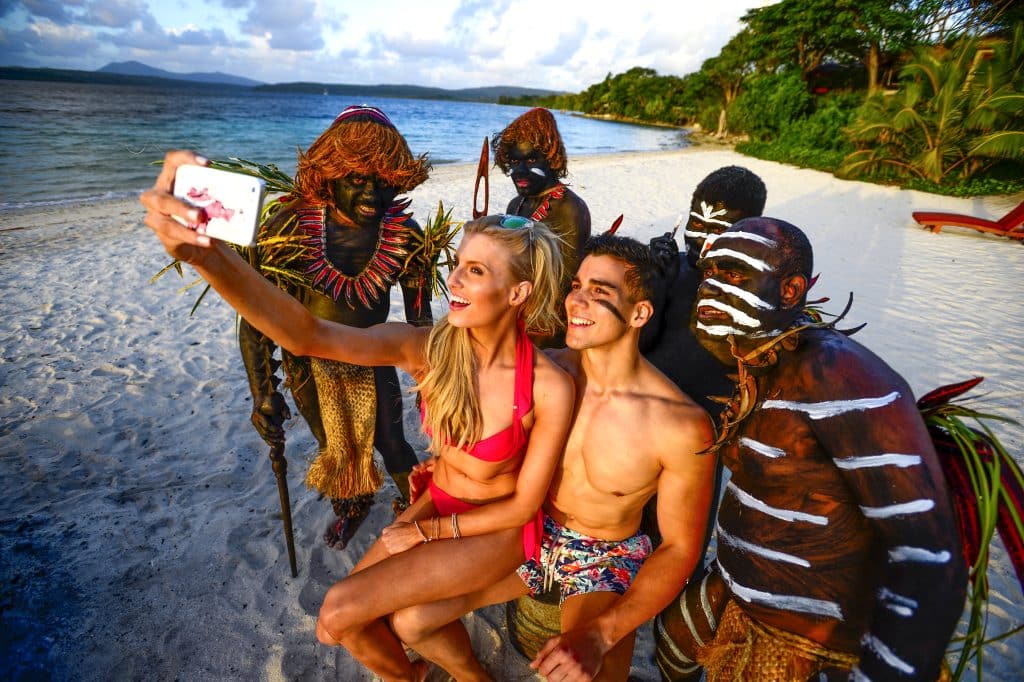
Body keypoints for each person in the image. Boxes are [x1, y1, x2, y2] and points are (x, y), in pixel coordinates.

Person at [142, 162, 575, 682]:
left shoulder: (547, 387)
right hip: (436, 503)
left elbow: (524, 506)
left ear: (518, 293)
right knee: (344, 627)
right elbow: (309, 335)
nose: (455, 280)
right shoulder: (429, 349)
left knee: (339, 613)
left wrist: (427, 531)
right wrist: (207, 255)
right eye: (459, 263)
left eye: (477, 271)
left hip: (497, 530)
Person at [386, 234, 717, 682]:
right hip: (527, 530)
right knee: (411, 620)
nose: (576, 301)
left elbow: (680, 549)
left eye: (599, 292)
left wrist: (601, 635)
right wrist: (447, 464)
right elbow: (493, 435)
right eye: (576, 286)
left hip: (603, 556)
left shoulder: (679, 424)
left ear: (639, 314)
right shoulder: (545, 374)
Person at [655, 217, 967, 681]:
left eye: (733, 274)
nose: (710, 287)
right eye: (709, 273)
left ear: (790, 290)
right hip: (734, 588)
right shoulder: (757, 356)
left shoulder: (840, 378)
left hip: (808, 631)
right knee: (672, 642)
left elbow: (929, 559)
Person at [238, 105, 433, 549]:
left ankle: (421, 513)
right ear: (330, 174)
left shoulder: (407, 235)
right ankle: (353, 505)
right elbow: (255, 318)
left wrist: (432, 384)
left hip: (375, 354)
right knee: (334, 446)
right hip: (308, 363)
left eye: (383, 180)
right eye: (357, 179)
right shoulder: (289, 226)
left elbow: (421, 323)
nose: (372, 193)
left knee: (394, 443)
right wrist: (263, 393)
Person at [641, 165, 767, 418]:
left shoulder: (753, 291)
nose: (700, 239)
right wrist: (652, 281)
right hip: (640, 404)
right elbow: (638, 343)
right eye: (696, 223)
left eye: (718, 230)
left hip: (704, 420)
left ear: (748, 231)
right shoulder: (669, 266)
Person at [493, 107, 592, 347]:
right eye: (514, 162)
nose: (519, 171)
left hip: (547, 325)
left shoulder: (569, 208)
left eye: (531, 160)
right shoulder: (516, 204)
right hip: (514, 309)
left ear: (552, 159)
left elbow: (564, 283)